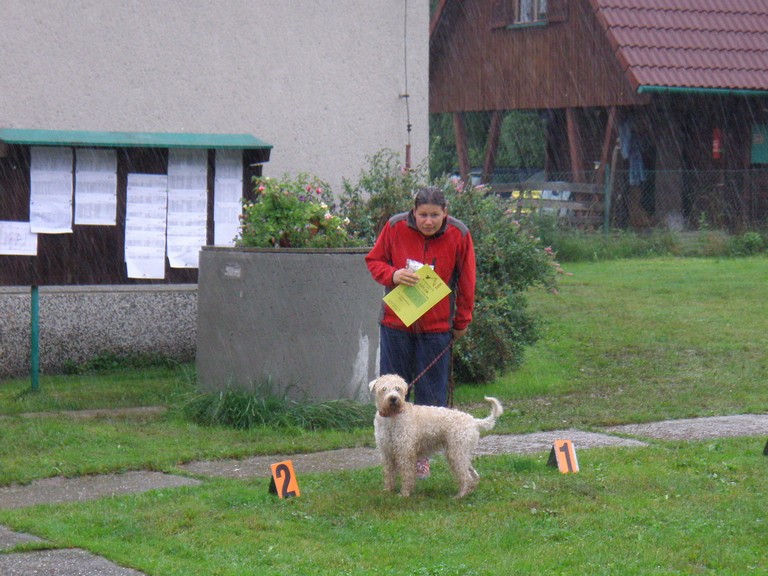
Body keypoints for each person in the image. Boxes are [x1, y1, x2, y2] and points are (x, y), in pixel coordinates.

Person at [366, 186, 476, 478]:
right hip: (395, 323)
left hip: (437, 328)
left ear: (445, 214)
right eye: (423, 215)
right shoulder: (394, 226)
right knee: (392, 392)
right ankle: (392, 453)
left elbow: (466, 279)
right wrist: (392, 274)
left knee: (431, 395)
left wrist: (462, 321)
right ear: (413, 213)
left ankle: (421, 458)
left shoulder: (460, 234)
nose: (429, 221)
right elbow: (374, 261)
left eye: (435, 215)